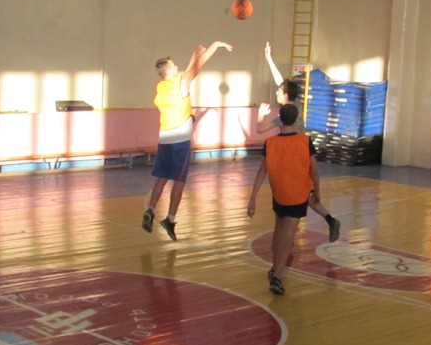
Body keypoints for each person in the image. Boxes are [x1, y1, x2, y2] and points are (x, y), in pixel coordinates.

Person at [143, 40, 232, 241]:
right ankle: (170, 219)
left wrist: (192, 58)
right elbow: (198, 67)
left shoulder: (161, 87)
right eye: (174, 65)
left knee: (162, 177)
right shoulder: (181, 83)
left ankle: (150, 209)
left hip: (164, 137)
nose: (178, 66)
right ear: (170, 71)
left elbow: (187, 71)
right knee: (179, 180)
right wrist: (215, 45)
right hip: (180, 139)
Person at [257, 43, 341, 242]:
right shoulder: (294, 106)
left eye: (279, 91)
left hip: (296, 159)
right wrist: (269, 58)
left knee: (297, 198)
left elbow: (260, 129)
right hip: (301, 156)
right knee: (306, 195)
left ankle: (290, 237)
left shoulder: (285, 115)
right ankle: (329, 221)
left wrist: (260, 115)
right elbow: (281, 82)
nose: (277, 92)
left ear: (285, 95)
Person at [247, 103, 321, 295]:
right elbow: (314, 170)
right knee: (288, 236)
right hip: (297, 195)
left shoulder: (270, 142)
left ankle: (274, 268)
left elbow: (261, 172)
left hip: (279, 194)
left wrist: (252, 199)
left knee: (279, 230)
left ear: (280, 119)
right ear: (296, 120)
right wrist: (317, 191)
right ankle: (277, 276)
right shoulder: (305, 141)